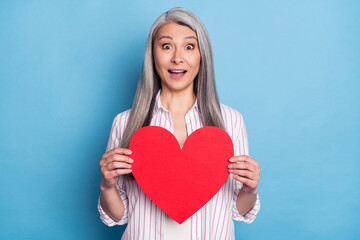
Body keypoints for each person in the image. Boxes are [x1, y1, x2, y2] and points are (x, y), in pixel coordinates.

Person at [98, 7, 261, 240]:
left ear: (202, 54)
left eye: (189, 46)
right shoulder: (125, 123)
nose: (177, 57)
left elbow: (237, 209)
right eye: (166, 46)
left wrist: (250, 189)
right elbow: (119, 215)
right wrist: (106, 186)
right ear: (152, 55)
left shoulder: (230, 121)